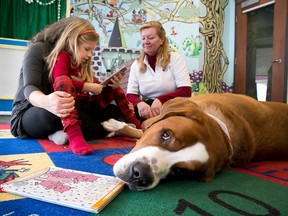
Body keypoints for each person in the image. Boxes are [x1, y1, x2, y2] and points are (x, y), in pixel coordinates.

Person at [10, 17, 140, 155]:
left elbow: (90, 88)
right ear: (71, 40)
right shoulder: (39, 49)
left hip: (65, 110)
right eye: (87, 49)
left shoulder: (76, 57)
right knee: (55, 114)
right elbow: (29, 88)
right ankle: (111, 129)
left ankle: (73, 130)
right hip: (32, 111)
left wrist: (109, 86)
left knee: (111, 111)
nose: (90, 55)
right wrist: (47, 102)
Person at [126, 21, 192, 121]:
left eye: (151, 38)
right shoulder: (137, 64)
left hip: (172, 106)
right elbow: (131, 94)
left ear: (162, 40)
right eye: (143, 38)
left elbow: (186, 91)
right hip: (147, 108)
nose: (146, 41)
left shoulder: (175, 58)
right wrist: (140, 104)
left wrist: (160, 100)